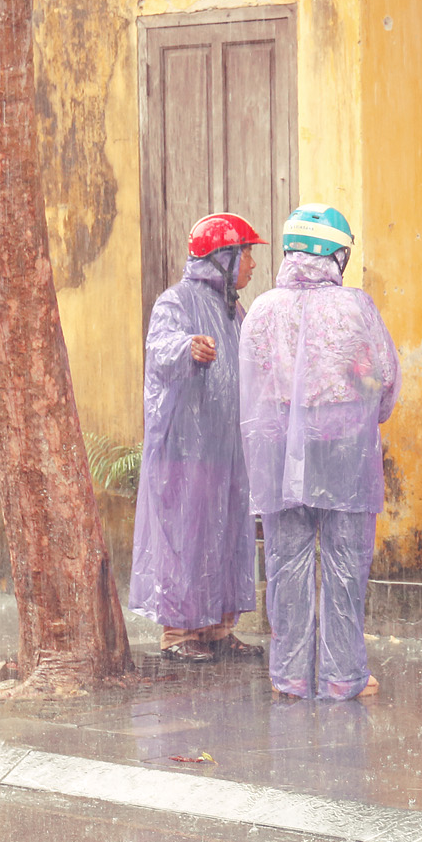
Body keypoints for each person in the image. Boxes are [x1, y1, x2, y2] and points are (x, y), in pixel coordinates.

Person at [239, 204, 399, 700]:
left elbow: (251, 385)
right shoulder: (356, 307)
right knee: (345, 563)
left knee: (285, 562)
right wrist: (365, 411)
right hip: (343, 452)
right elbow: (382, 378)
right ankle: (342, 676)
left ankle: (289, 675)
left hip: (277, 453)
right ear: (337, 254)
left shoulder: (262, 309)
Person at [128, 213, 268, 662]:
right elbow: (159, 347)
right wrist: (186, 348)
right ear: (222, 258)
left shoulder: (234, 310)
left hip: (225, 449)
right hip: (186, 449)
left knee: (225, 534)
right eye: (245, 254)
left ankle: (218, 628)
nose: (252, 264)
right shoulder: (176, 301)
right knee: (186, 536)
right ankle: (178, 631)